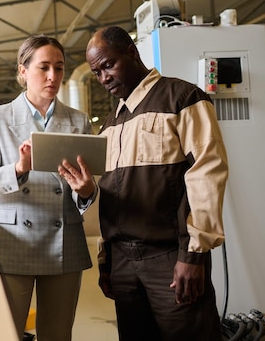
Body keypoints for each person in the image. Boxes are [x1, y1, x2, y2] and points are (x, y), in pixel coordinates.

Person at [84, 26, 228, 341]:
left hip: (169, 258)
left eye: (109, 65)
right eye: (97, 73)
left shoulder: (182, 97)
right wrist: (106, 260)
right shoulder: (110, 125)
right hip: (122, 262)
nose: (104, 77)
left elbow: (206, 174)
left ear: (132, 53)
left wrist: (193, 255)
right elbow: (110, 197)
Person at [0, 34, 97, 341]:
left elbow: (93, 189)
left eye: (59, 67)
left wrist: (86, 190)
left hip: (63, 241)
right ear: (23, 71)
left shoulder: (79, 121)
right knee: (8, 332)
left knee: (57, 334)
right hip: (14, 241)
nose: (53, 76)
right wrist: (18, 169)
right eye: (43, 67)